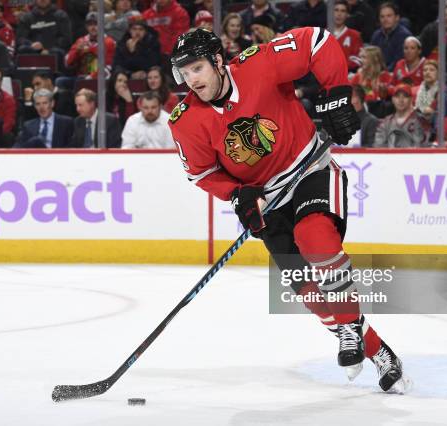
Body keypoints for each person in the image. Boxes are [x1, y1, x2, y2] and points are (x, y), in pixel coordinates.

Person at [168, 28, 408, 393]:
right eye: (184, 73)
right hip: (268, 199)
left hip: (310, 169)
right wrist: (239, 195)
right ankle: (378, 350)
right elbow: (203, 173)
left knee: (315, 239)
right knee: (308, 289)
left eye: (197, 68)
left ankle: (348, 328)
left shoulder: (258, 64)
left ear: (218, 60)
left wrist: (335, 96)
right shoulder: (185, 120)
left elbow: (318, 43)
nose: (192, 80)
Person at [64, 12, 116, 83]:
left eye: (96, 24)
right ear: (86, 27)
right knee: (60, 81)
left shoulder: (109, 42)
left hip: (100, 80)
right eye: (90, 25)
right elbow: (67, 63)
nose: (93, 27)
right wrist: (76, 51)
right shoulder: (81, 41)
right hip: (80, 77)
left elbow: (108, 68)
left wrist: (90, 77)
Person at [374, 83, 429, 147]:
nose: (401, 100)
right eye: (397, 96)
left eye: (405, 96)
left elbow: (423, 147)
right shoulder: (385, 123)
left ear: (411, 99)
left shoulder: (421, 121)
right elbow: (378, 147)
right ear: (393, 100)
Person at [349, 46, 393, 118]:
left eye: (364, 57)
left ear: (374, 60)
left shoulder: (384, 76)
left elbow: (384, 99)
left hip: (377, 114)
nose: (361, 60)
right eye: (361, 57)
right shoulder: (358, 76)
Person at [369, 2, 413, 71]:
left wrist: (383, 73)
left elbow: (399, 62)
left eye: (389, 16)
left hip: (397, 74)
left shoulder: (404, 36)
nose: (385, 19)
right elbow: (371, 58)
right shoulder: (376, 35)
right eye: (382, 16)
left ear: (397, 18)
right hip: (378, 73)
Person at [332, 0, 362, 73]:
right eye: (336, 10)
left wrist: (338, 66)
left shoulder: (355, 35)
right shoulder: (322, 34)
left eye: (343, 11)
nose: (339, 14)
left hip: (347, 75)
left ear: (347, 15)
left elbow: (357, 59)